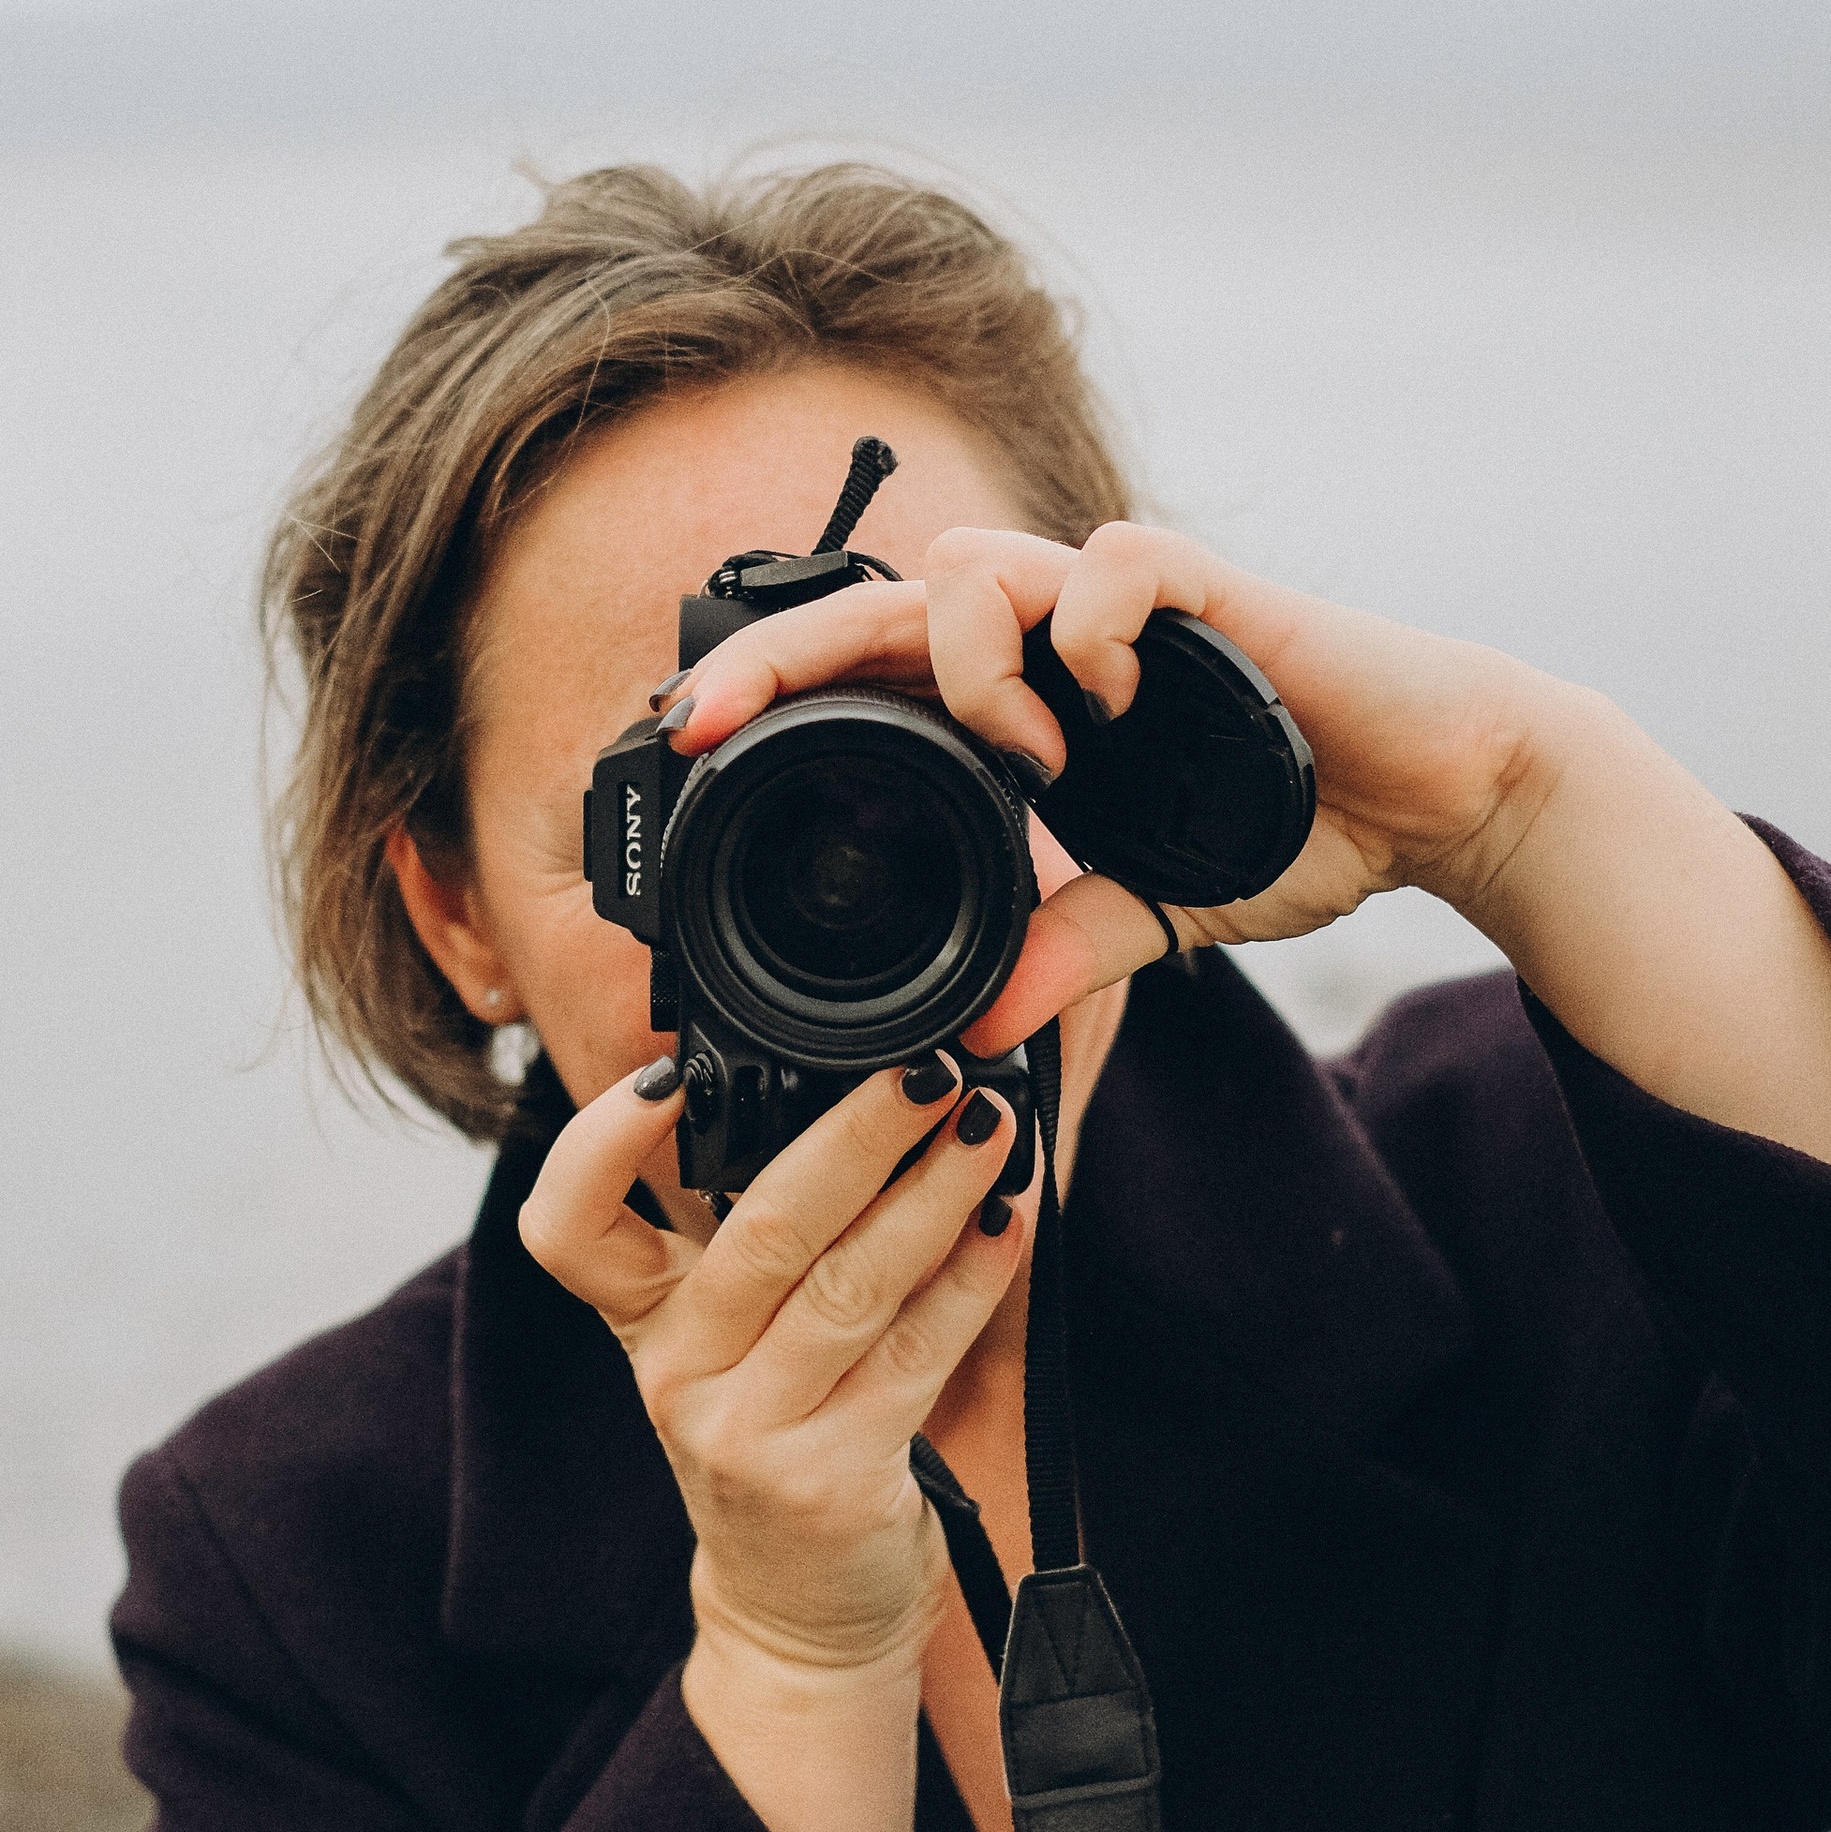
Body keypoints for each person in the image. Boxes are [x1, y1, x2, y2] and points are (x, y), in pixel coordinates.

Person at [111, 161, 1831, 1832]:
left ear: (1109, 734)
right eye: (691, 817)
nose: (848, 902)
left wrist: (1523, 806)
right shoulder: (292, 1579)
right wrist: (789, 1669)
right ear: (454, 912)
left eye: (934, 760)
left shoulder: (1581, 1207)